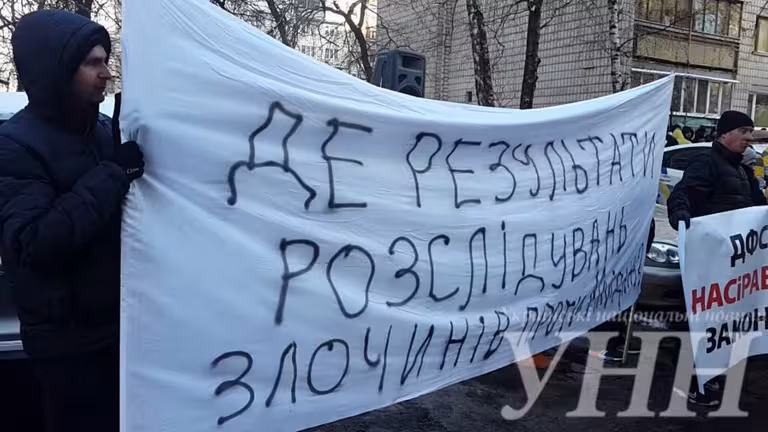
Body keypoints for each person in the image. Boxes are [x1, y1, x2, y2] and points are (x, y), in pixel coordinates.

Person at [0, 10, 144, 432]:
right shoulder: (14, 146)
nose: (107, 73)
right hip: (68, 342)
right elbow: (34, 242)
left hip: (121, 325)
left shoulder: (102, 129)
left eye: (106, 60)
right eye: (92, 63)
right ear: (57, 71)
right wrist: (113, 174)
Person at [667, 110, 766, 408]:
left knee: (730, 319)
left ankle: (717, 370)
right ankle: (698, 381)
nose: (749, 138)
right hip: (711, 261)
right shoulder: (706, 164)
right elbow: (681, 195)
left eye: (750, 132)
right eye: (743, 131)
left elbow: (758, 209)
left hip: (738, 264)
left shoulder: (744, 172)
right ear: (724, 134)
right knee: (707, 320)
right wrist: (680, 214)